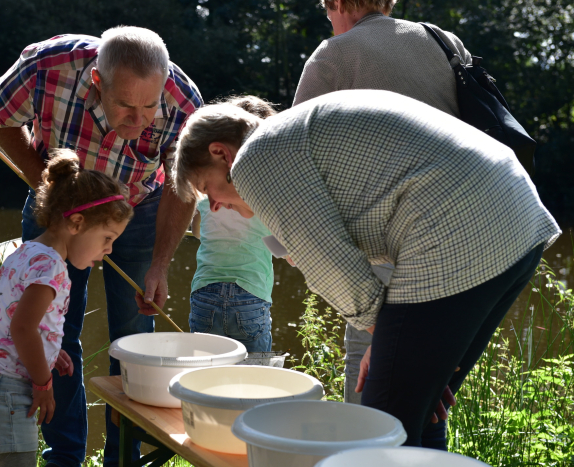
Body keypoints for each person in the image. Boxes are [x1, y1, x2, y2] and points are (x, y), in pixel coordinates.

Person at [171, 92, 561, 449]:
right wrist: (394, 341)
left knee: (381, 426)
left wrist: (387, 337)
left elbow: (330, 265)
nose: (215, 207)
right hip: (514, 221)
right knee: (419, 412)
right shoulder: (290, 137)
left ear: (222, 153)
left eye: (208, 189)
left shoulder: (257, 158)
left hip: (458, 230)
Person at [0, 26, 202, 467]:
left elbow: (183, 185)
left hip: (139, 209)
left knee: (134, 338)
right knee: (54, 334)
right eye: (125, 105)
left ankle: (124, 457)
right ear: (98, 83)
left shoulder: (184, 103)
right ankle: (64, 457)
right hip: (62, 209)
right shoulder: (47, 66)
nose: (138, 121)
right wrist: (46, 189)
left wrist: (159, 265)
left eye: (148, 107)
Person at [292, 0, 473, 407]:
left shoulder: (334, 55)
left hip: (389, 235)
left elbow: (290, 156)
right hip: (459, 232)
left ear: (337, 4)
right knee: (429, 377)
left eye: (326, 9)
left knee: (366, 365)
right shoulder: (444, 41)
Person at [0, 150, 132, 467]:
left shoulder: (28, 251)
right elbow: (22, 328)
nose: (108, 251)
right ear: (77, 223)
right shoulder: (51, 267)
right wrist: (43, 384)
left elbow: (18, 318)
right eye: (107, 238)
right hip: (7, 389)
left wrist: (51, 349)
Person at [189, 96, 276, 352]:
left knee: (204, 375)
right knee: (255, 376)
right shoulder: (266, 195)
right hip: (251, 293)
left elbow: (197, 231)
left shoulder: (209, 189)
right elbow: (282, 246)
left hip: (205, 291)